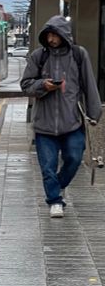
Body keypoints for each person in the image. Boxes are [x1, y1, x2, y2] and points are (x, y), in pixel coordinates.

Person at [20, 15, 102, 218]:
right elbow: (26, 85)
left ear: (64, 35)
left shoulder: (78, 54)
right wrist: (43, 86)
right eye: (48, 35)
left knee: (74, 158)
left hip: (72, 122)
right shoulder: (39, 56)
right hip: (44, 126)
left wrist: (94, 114)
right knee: (47, 167)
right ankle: (55, 200)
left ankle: (57, 186)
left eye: (54, 35)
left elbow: (89, 85)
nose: (51, 39)